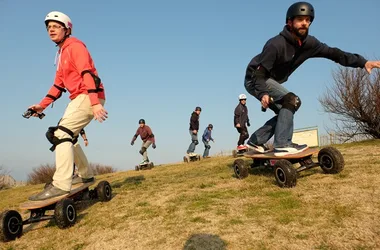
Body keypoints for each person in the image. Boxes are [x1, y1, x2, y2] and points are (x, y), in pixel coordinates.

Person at [244, 2, 380, 156]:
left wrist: (363, 62)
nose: (305, 23)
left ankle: (255, 140)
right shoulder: (275, 44)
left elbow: (334, 53)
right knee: (291, 99)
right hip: (255, 79)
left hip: (269, 80)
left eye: (308, 20)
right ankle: (282, 144)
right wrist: (263, 93)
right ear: (289, 22)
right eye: (300, 19)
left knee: (286, 111)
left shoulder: (310, 44)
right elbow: (259, 74)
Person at [27, 11, 108, 201]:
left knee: (61, 134)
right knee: (63, 136)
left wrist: (94, 103)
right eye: (48, 27)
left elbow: (87, 73)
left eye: (55, 26)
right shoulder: (62, 53)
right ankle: (86, 173)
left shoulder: (75, 47)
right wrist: (41, 106)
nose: (51, 30)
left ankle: (61, 184)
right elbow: (58, 85)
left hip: (88, 95)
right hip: (79, 97)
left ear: (67, 29)